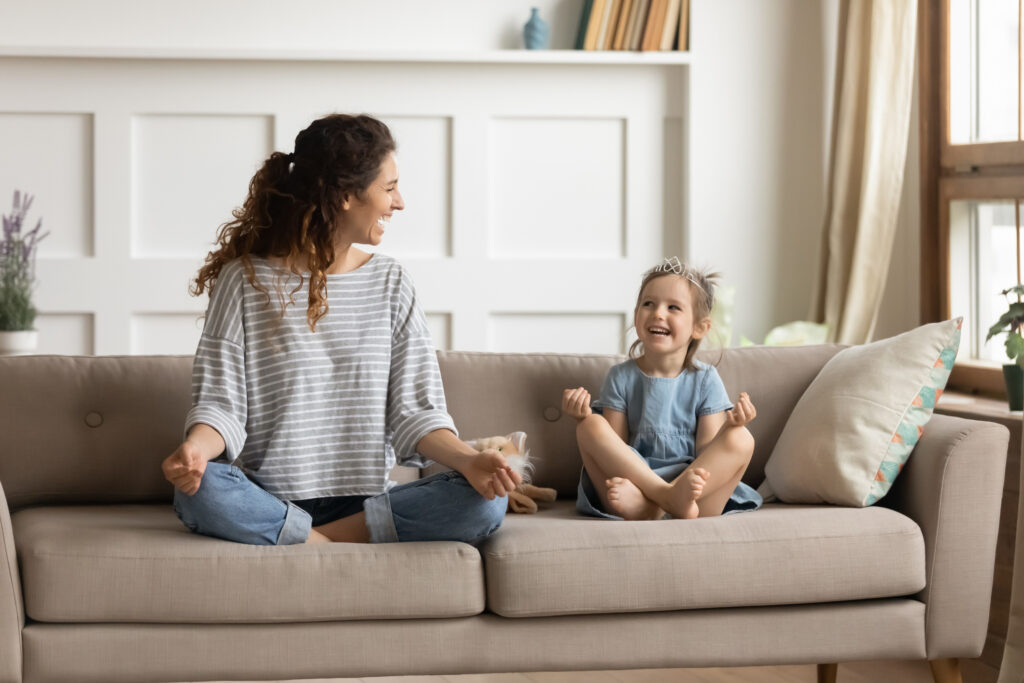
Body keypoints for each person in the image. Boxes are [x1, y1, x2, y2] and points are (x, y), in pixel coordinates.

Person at [162, 113, 520, 545]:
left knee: (485, 500)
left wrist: (469, 461)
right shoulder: (244, 281)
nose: (399, 202)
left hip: (364, 501)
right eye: (389, 188)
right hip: (270, 497)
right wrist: (197, 451)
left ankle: (306, 541)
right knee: (198, 493)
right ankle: (331, 540)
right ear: (347, 195)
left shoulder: (391, 283)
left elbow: (417, 415)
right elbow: (222, 406)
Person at [561, 257, 762, 521]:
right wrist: (580, 415)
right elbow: (617, 448)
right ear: (636, 315)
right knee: (590, 426)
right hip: (635, 484)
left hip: (692, 494)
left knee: (741, 438)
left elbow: (707, 451)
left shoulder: (706, 379)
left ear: (700, 327)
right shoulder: (621, 376)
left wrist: (730, 427)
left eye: (673, 307)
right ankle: (662, 498)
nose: (658, 313)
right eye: (648, 304)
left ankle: (655, 507)